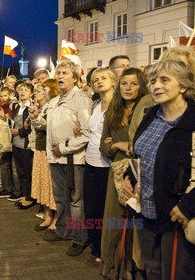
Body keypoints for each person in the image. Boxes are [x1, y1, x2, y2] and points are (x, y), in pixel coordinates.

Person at [124, 60, 195, 279]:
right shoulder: (151, 115)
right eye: (153, 81)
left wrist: (188, 206)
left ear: (183, 86)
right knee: (152, 270)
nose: (156, 86)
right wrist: (130, 176)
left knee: (175, 274)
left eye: (165, 80)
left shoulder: (191, 121)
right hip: (145, 211)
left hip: (176, 216)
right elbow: (140, 154)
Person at [99, 68, 148, 278]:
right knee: (114, 219)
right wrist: (116, 145)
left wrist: (123, 144)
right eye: (124, 83)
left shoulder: (148, 109)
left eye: (134, 84)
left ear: (142, 86)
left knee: (137, 223)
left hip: (141, 169)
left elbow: (142, 144)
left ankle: (134, 268)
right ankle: (113, 268)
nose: (128, 88)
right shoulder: (113, 110)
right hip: (117, 170)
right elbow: (103, 145)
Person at [44, 60, 92, 257]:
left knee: (76, 201)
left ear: (75, 77)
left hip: (74, 159)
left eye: (64, 73)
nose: (60, 76)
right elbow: (48, 127)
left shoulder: (81, 99)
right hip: (55, 159)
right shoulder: (55, 100)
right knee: (60, 198)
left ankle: (79, 238)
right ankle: (63, 229)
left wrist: (63, 148)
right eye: (58, 73)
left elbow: (87, 132)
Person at [80, 68, 115, 266]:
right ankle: (95, 246)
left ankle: (106, 249)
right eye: (95, 79)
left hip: (107, 165)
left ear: (113, 80)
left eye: (103, 78)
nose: (99, 82)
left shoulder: (119, 106)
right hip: (91, 161)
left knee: (105, 210)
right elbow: (92, 130)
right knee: (91, 208)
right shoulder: (96, 103)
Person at [30, 80, 60, 231]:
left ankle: (56, 218)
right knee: (43, 184)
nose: (40, 92)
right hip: (40, 148)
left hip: (49, 150)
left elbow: (48, 126)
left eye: (44, 89)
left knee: (50, 185)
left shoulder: (56, 105)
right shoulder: (45, 107)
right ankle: (48, 214)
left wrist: (36, 118)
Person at [10, 82, 35, 209]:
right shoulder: (17, 107)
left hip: (26, 144)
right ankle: (24, 194)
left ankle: (30, 197)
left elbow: (32, 128)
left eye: (26, 90)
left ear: (31, 93)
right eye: (21, 90)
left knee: (27, 172)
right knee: (20, 171)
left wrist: (19, 131)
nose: (22, 92)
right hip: (16, 144)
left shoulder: (31, 108)